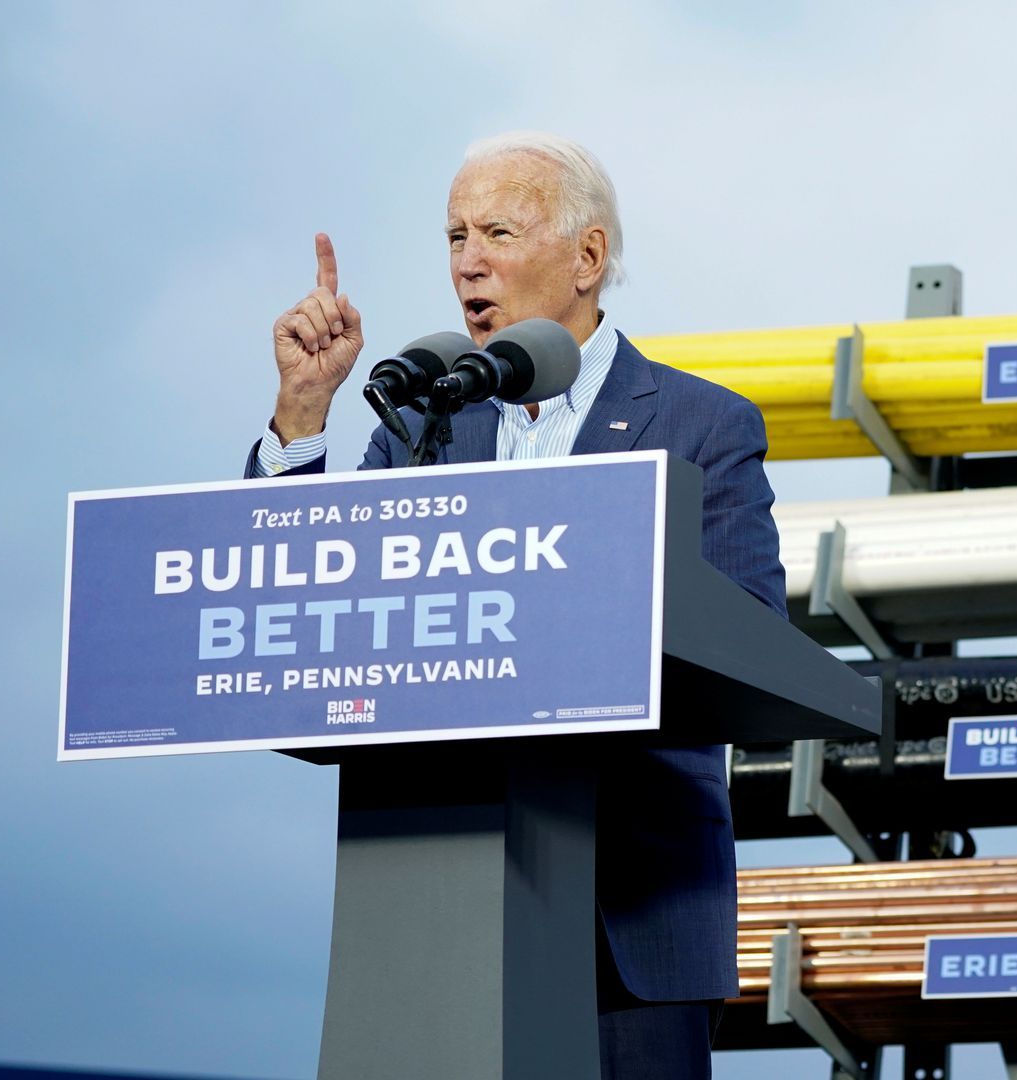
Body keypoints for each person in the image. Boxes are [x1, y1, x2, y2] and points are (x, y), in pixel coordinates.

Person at [248, 131, 783, 1079]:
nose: (469, 261)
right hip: (425, 906)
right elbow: (312, 609)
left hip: (627, 919)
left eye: (498, 230)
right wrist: (303, 417)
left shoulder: (703, 425)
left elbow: (747, 646)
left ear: (587, 258)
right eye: (455, 236)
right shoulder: (421, 425)